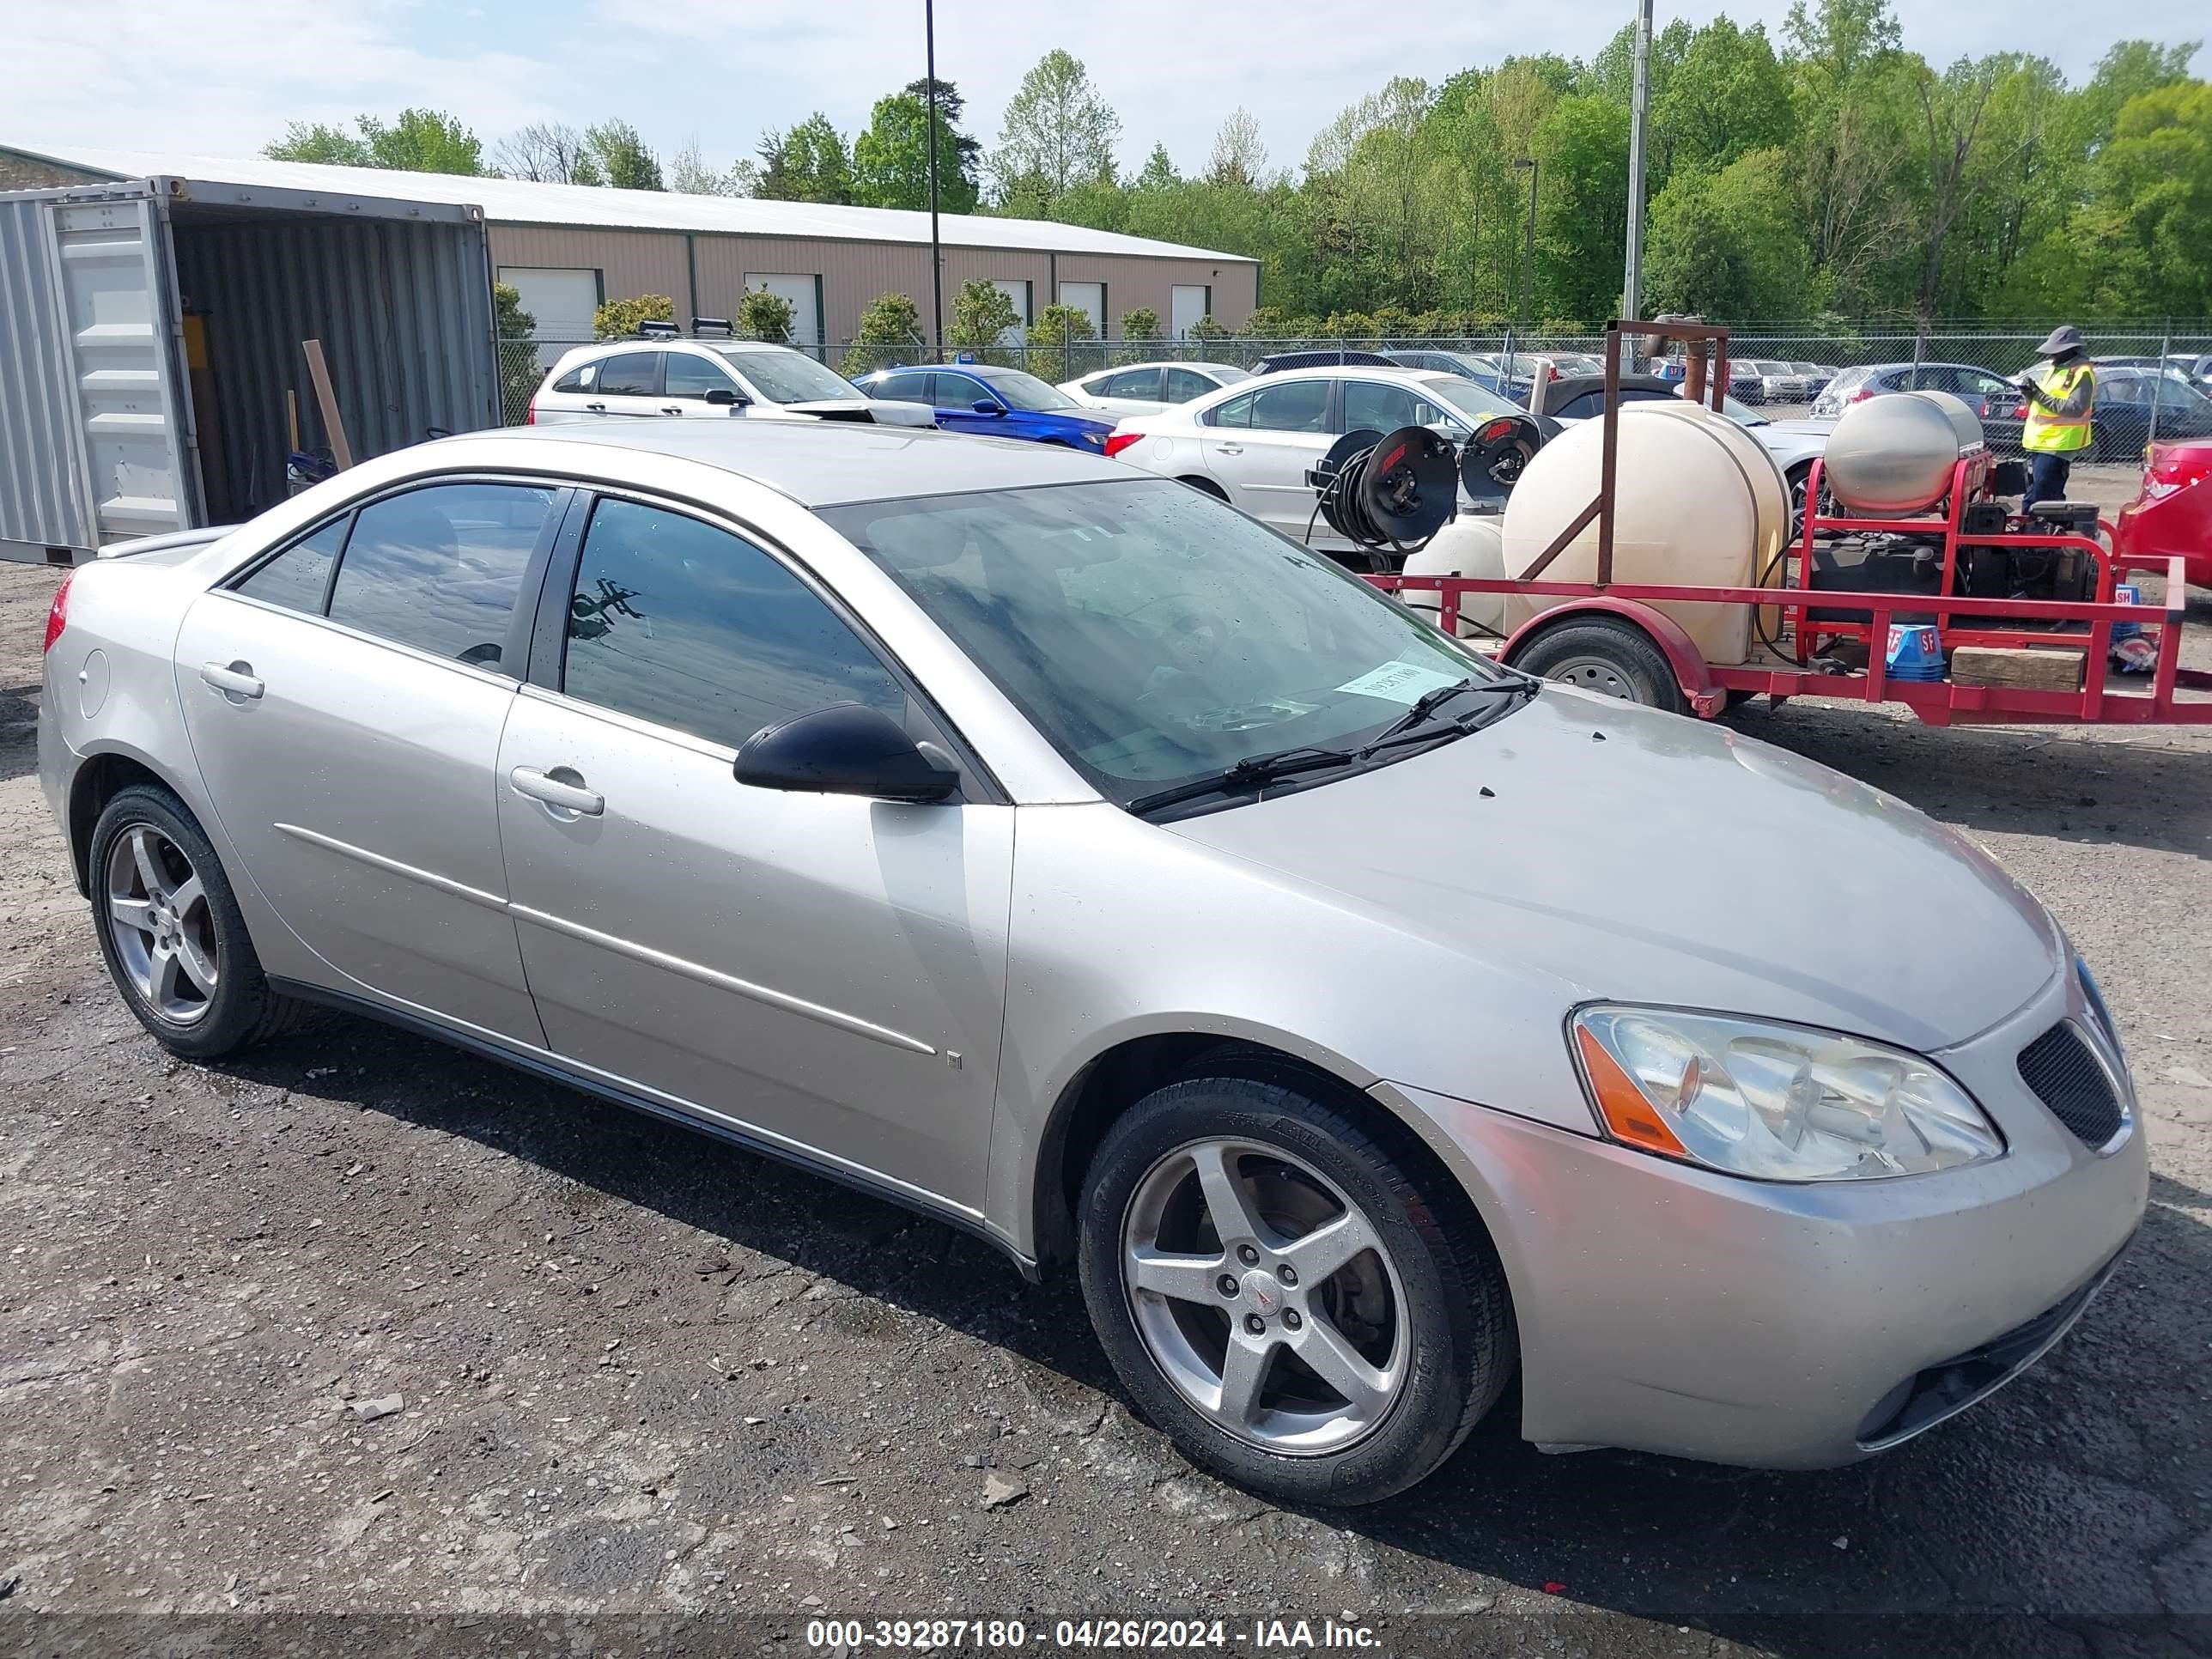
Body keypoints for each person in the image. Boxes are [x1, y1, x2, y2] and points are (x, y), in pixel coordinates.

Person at [2016, 325, 2095, 511]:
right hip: (2042, 441)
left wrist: (2038, 395)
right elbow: (2039, 405)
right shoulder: (2056, 369)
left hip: (2060, 443)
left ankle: (2033, 531)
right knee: (2045, 493)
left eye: (2056, 352)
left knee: (2040, 495)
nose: (2052, 356)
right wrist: (2030, 394)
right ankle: (2047, 532)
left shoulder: (2082, 372)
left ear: (2070, 350)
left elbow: (2075, 408)